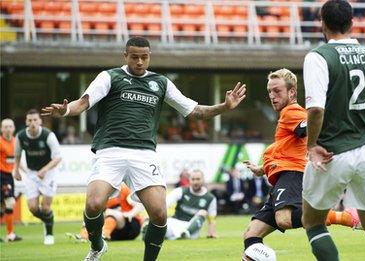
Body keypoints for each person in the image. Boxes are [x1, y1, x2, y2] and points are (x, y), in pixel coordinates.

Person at [41, 36, 245, 260]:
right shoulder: (110, 77)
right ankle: (97, 245)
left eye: (144, 57)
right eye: (134, 57)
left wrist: (225, 106)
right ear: (125, 55)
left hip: (144, 154)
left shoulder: (161, 83)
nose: (139, 62)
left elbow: (194, 111)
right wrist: (66, 111)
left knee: (159, 214)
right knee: (93, 204)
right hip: (111, 151)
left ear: (150, 57)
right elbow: (82, 103)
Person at [302, 1, 365, 260]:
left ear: (322, 23)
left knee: (313, 221)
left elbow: (315, 109)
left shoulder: (318, 56)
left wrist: (311, 145)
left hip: (331, 151)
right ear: (352, 23)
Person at [242, 69, 360, 257]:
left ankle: (344, 217)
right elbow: (286, 150)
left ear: (292, 93)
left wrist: (326, 114)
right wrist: (262, 169)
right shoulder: (286, 116)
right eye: (270, 91)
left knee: (284, 220)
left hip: (292, 175)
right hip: (283, 178)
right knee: (251, 234)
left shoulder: (291, 111)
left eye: (277, 91)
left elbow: (309, 125)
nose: (272, 96)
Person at [13, 109, 62, 245]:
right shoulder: (21, 136)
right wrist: (16, 170)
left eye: (35, 120)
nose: (33, 123)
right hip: (32, 173)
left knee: (45, 207)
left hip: (49, 172)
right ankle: (49, 220)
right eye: (30, 120)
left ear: (40, 121)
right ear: (26, 122)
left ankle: (49, 233)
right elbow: (17, 155)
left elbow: (58, 158)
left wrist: (45, 170)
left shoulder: (48, 135)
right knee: (33, 208)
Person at [156, 169, 217, 240]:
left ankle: (185, 233)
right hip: (175, 223)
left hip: (191, 227)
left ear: (203, 180)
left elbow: (212, 218)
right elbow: (165, 204)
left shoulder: (210, 198)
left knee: (203, 212)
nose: (195, 182)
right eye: (193, 179)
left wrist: (211, 232)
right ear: (189, 180)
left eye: (198, 179)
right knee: (161, 227)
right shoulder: (180, 191)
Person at [73, 183, 145, 242]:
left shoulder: (124, 190)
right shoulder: (102, 195)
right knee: (92, 215)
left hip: (131, 226)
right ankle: (84, 236)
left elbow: (139, 204)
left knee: (111, 214)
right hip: (114, 231)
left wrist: (131, 214)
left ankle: (104, 234)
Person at [0, 118, 22, 242]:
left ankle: (10, 234)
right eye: (5, 126)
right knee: (11, 202)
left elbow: (15, 159)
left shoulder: (16, 141)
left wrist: (21, 170)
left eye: (10, 126)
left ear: (14, 128)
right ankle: (10, 234)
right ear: (1, 129)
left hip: (9, 176)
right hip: (1, 175)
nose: (8, 129)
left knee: (2, 206)